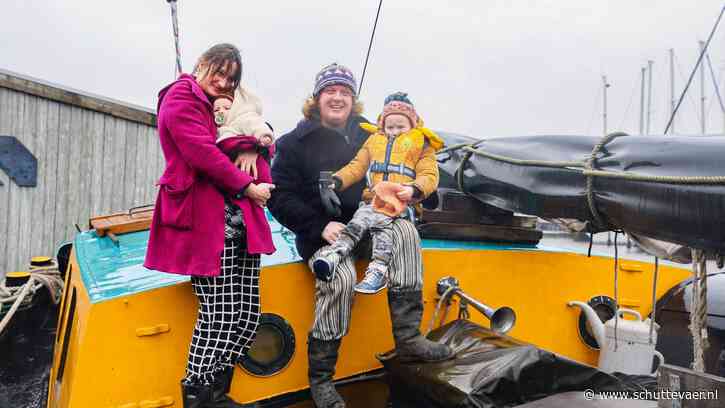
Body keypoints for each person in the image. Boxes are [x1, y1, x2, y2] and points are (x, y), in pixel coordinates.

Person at [268, 63, 453, 408]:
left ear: (353, 101)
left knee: (407, 234)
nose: (338, 98)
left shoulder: (374, 136)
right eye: (330, 91)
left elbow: (418, 162)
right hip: (323, 236)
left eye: (345, 93)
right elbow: (279, 197)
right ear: (317, 98)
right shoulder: (292, 144)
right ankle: (322, 378)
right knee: (339, 279)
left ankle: (408, 337)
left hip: (374, 224)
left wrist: (416, 188)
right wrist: (318, 225)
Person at [144, 43, 275, 408]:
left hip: (240, 223)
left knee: (247, 316)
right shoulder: (180, 98)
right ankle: (198, 394)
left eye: (231, 78)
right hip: (205, 220)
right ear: (200, 65)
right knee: (218, 314)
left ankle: (217, 393)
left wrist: (252, 146)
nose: (223, 82)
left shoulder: (231, 106)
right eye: (217, 71)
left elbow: (264, 134)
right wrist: (248, 184)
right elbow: (202, 152)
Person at [312, 92, 444, 294]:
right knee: (358, 221)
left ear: (412, 125)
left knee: (382, 228)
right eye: (390, 127)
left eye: (401, 127)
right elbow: (356, 167)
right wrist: (336, 181)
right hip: (372, 201)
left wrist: (413, 189)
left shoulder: (422, 144)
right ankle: (336, 253)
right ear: (383, 125)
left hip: (400, 203)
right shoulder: (373, 141)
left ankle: (378, 270)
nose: (395, 132)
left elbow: (429, 175)